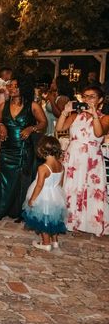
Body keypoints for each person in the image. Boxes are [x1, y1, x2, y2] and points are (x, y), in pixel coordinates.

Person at [0, 77, 47, 221]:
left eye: (15, 86)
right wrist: (1, 126)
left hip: (23, 149)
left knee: (22, 181)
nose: (11, 89)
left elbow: (43, 123)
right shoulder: (3, 105)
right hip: (7, 149)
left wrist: (31, 128)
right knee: (4, 180)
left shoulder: (32, 106)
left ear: (24, 88)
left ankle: (19, 212)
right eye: (10, 86)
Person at [56, 86, 109, 236]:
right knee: (71, 187)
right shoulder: (75, 116)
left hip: (91, 160)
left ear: (99, 100)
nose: (87, 99)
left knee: (90, 190)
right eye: (85, 96)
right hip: (73, 157)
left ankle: (87, 222)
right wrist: (65, 112)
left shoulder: (105, 118)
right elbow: (60, 129)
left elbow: (99, 132)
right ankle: (70, 220)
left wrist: (95, 116)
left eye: (92, 97)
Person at [21, 136, 67, 251]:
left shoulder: (43, 168)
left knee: (44, 220)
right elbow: (60, 184)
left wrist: (32, 199)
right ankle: (55, 241)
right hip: (56, 195)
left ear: (41, 150)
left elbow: (39, 185)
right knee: (54, 219)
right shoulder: (61, 166)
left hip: (44, 196)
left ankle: (46, 243)